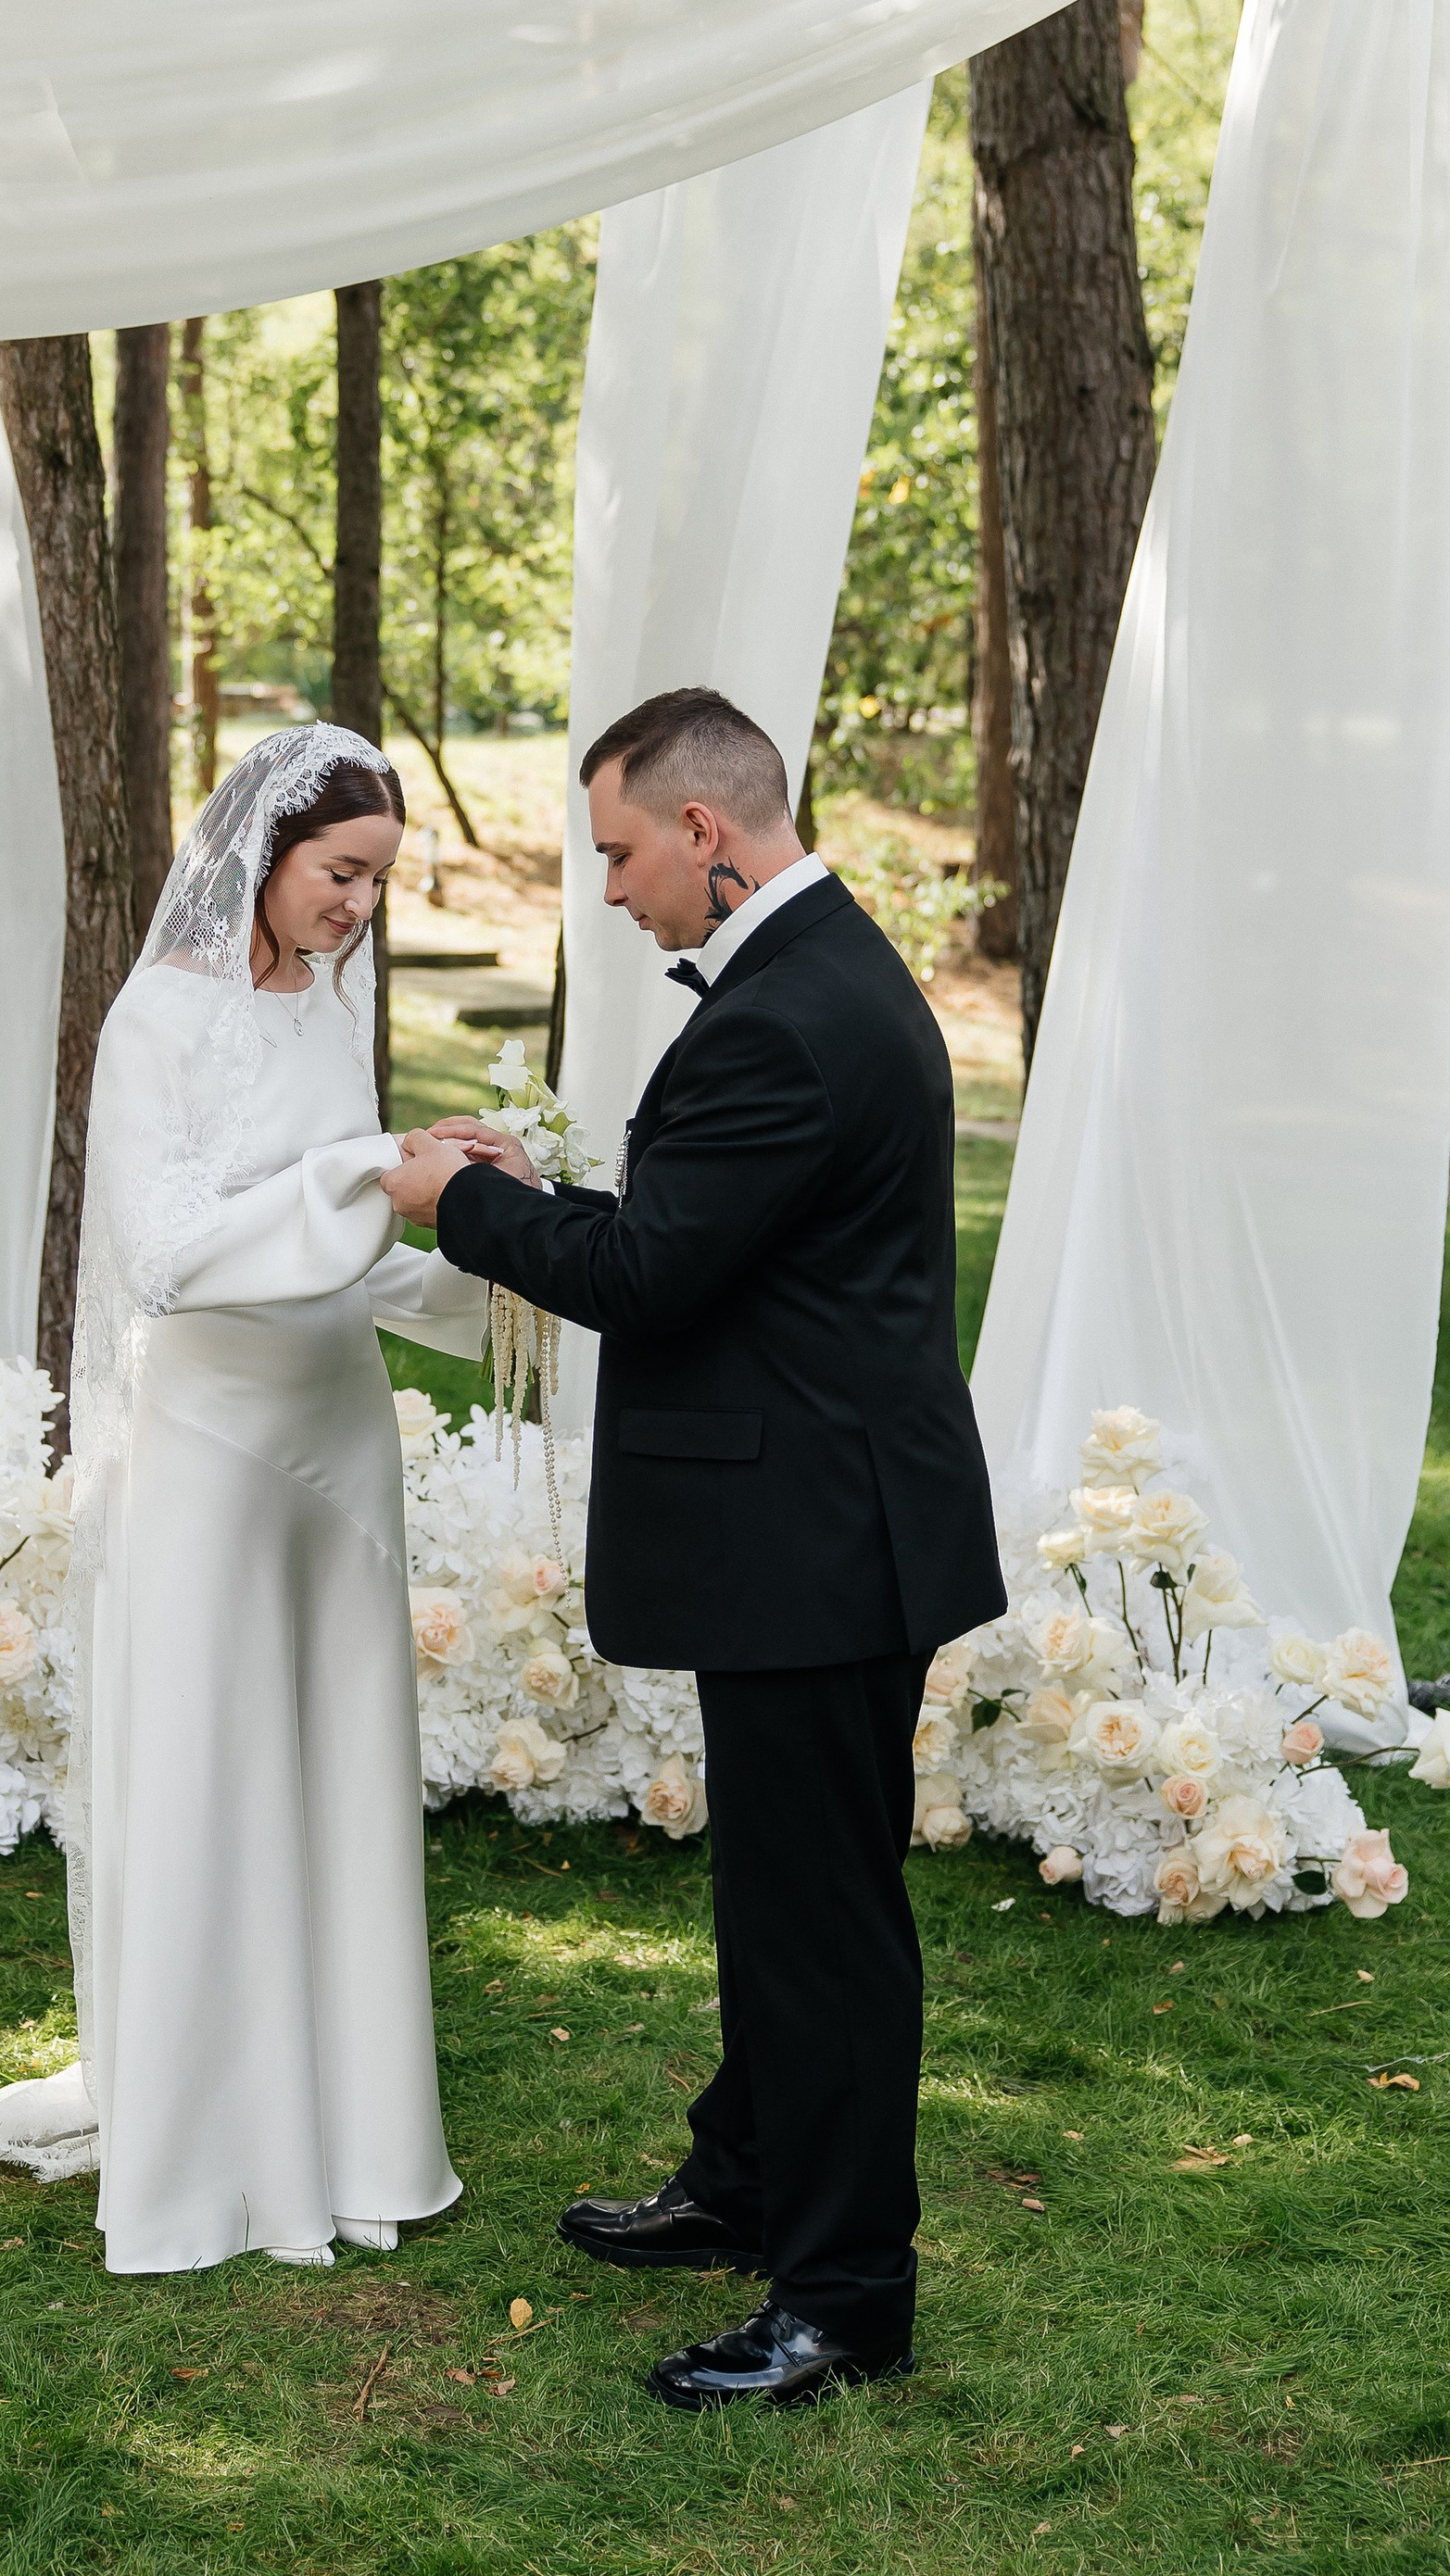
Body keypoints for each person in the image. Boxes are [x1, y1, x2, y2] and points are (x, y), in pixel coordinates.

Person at [383, 685, 1004, 2409]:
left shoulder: (784, 1020)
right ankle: (745, 2182)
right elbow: (705, 1239)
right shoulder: (821, 977)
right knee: (784, 1898)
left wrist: (463, 1205)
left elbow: (652, 1280)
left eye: (621, 851)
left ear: (708, 833)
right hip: (834, 1517)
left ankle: (847, 2302)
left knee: (823, 1928)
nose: (615, 889)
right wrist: (546, 1194)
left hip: (818, 1538)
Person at [0, 726, 485, 2269]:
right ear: (265, 853)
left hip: (336, 1432)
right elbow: (162, 1250)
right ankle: (211, 2136)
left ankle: (349, 2123)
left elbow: (350, 1233)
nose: (356, 907)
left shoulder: (334, 1008)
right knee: (220, 1754)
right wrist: (371, 1172)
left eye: (376, 883)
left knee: (338, 1759)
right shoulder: (158, 1016)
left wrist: (488, 1247)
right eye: (338, 874)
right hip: (216, 1440)